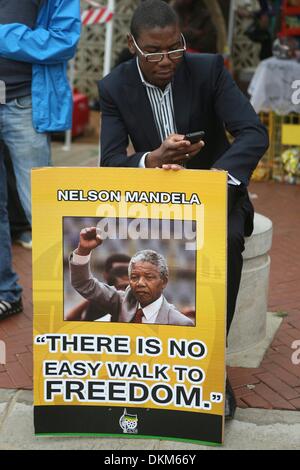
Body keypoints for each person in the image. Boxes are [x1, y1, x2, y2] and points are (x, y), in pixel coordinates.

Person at [97, 0, 269, 417]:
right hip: (155, 200)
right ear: (132, 45)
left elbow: (252, 133)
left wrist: (213, 180)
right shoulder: (114, 86)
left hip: (219, 192)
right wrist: (153, 158)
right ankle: (142, 357)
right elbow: (110, 162)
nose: (166, 60)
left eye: (175, 48)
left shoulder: (207, 69)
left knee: (226, 241)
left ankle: (212, 364)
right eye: (153, 51)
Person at [0, 0, 81, 320]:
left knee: (43, 209)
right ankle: (6, 293)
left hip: (25, 105)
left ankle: (70, 304)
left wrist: (4, 37)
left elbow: (65, 39)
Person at [69, 227, 194, 326]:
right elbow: (83, 283)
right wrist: (83, 251)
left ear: (164, 282)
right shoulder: (121, 302)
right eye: (134, 277)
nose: (140, 283)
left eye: (149, 277)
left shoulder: (181, 323)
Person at [66, 253, 130, 321]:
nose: (124, 273)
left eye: (128, 270)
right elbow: (71, 318)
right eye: (118, 270)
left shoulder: (136, 300)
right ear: (106, 275)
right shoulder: (99, 301)